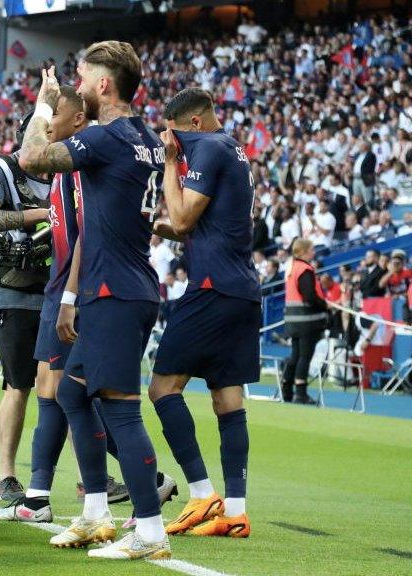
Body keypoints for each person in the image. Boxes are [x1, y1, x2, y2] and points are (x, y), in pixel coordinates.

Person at [18, 43, 170, 560]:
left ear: (104, 85)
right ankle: (96, 513)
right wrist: (69, 296)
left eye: (81, 77)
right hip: (118, 285)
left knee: (121, 411)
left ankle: (149, 530)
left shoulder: (107, 138)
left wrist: (42, 104)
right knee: (72, 394)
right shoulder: (146, 137)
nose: (74, 85)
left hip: (116, 292)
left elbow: (32, 157)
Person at [149, 88, 259, 539]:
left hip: (212, 288)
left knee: (161, 388)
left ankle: (200, 492)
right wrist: (165, 226)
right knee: (226, 398)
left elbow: (184, 218)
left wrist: (172, 164)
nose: (171, 143)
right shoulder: (231, 147)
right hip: (241, 290)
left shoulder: (207, 148)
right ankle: (234, 511)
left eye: (174, 135)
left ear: (193, 123)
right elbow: (196, 224)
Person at [0, 112, 53, 502]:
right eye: (46, 135)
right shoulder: (1, 169)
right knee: (19, 383)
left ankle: (87, 477)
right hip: (11, 288)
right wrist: (42, 214)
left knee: (62, 385)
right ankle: (6, 474)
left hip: (54, 288)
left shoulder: (62, 173)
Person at [281, 238, 326, 405]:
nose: (313, 252)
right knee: (304, 356)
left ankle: (287, 389)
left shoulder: (292, 268)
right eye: (311, 249)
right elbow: (309, 297)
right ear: (304, 251)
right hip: (307, 320)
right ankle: (300, 393)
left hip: (293, 320)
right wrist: (324, 305)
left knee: (295, 355)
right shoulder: (305, 269)